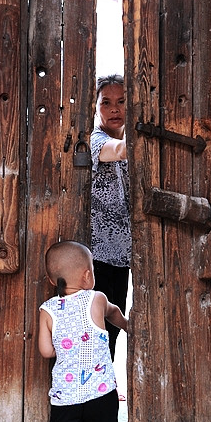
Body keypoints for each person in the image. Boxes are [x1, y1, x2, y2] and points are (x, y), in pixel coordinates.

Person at [29, 240, 128, 422]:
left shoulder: (47, 310)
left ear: (51, 279)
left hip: (67, 395)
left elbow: (46, 351)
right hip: (101, 393)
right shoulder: (97, 299)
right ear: (88, 275)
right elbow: (115, 315)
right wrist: (128, 326)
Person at [90, 74, 130, 361]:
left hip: (123, 256)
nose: (114, 109)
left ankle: (106, 393)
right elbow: (114, 151)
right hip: (99, 256)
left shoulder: (130, 147)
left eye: (121, 102)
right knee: (97, 330)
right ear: (96, 107)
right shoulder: (96, 140)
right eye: (107, 103)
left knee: (112, 334)